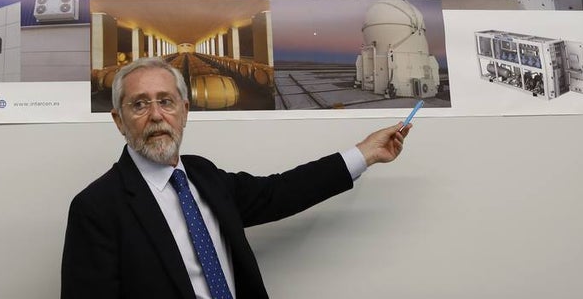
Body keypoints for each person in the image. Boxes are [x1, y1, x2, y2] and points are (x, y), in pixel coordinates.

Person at [61, 57, 411, 299]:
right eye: (139, 104)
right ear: (119, 121)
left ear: (184, 112)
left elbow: (281, 191)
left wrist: (364, 153)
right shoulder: (96, 208)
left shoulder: (204, 176)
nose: (156, 115)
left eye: (166, 101)